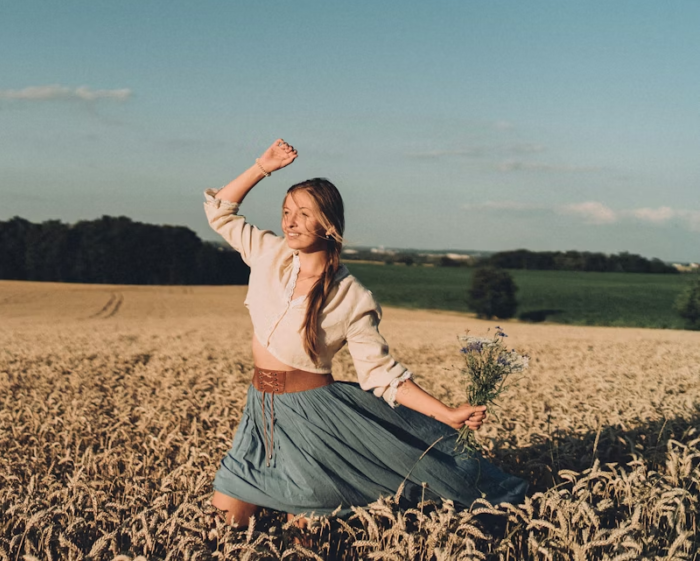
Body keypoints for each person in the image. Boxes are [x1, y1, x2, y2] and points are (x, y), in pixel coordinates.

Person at [206, 139, 528, 529]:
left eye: (303, 214)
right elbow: (220, 211)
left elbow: (381, 374)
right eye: (286, 212)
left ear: (328, 223)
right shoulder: (269, 253)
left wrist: (445, 413)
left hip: (314, 419)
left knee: (307, 528)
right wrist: (263, 166)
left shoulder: (352, 296)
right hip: (260, 409)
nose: (289, 222)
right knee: (226, 519)